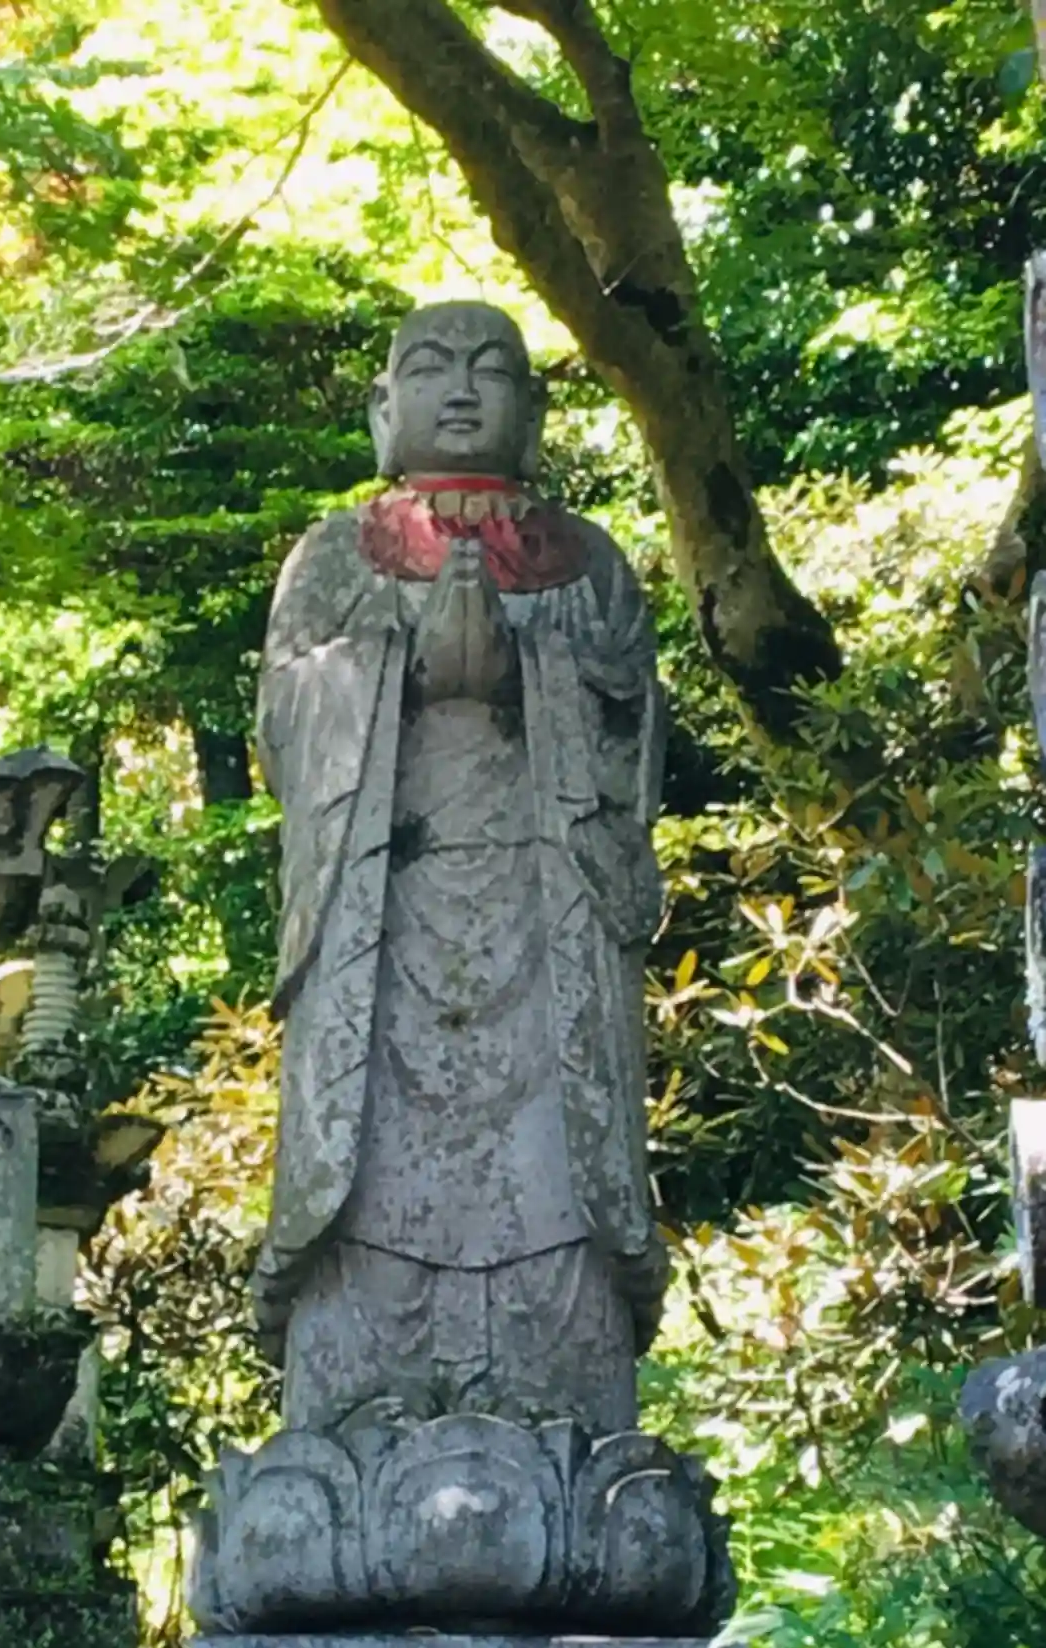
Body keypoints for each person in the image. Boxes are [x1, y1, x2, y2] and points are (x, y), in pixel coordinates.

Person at [253, 301, 666, 1438]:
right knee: (366, 1155)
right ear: (383, 409)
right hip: (378, 916)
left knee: (562, 1157)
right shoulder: (332, 556)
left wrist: (537, 676)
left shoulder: (589, 567)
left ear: (533, 411)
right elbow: (285, 715)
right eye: (431, 369)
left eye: (492, 370)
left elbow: (635, 722)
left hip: (549, 915)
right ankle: (357, 1398)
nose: (464, 390)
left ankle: (563, 1399)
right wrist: (395, 667)